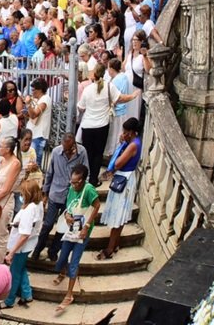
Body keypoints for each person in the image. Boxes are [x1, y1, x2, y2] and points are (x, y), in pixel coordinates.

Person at [31, 133, 88, 264]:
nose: (66, 151)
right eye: (64, 148)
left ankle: (53, 251)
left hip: (70, 197)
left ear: (74, 145)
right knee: (47, 225)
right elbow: (50, 173)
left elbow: (86, 173)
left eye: (68, 149)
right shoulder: (56, 152)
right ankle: (37, 250)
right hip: (55, 194)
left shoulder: (82, 152)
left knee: (63, 227)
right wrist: (45, 193)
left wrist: (81, 194)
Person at [52, 167, 101, 313]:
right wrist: (67, 215)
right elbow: (69, 205)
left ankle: (69, 294)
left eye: (75, 183)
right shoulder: (72, 188)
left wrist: (86, 226)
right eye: (71, 182)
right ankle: (62, 272)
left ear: (82, 180)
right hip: (72, 228)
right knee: (62, 256)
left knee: (74, 262)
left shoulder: (89, 190)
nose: (73, 185)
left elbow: (97, 205)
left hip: (82, 230)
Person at [98, 117, 142, 260]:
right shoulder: (134, 142)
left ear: (130, 132)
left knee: (118, 215)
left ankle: (110, 249)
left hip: (124, 180)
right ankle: (115, 244)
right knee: (120, 215)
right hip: (126, 179)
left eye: (125, 131)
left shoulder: (133, 145)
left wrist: (121, 145)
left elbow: (118, 163)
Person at [0, 178, 42, 309]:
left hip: (21, 246)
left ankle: (9, 300)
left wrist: (11, 253)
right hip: (28, 245)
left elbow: (24, 235)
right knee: (21, 269)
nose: (21, 196)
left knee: (14, 273)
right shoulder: (37, 205)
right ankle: (27, 294)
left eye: (23, 193)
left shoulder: (29, 210)